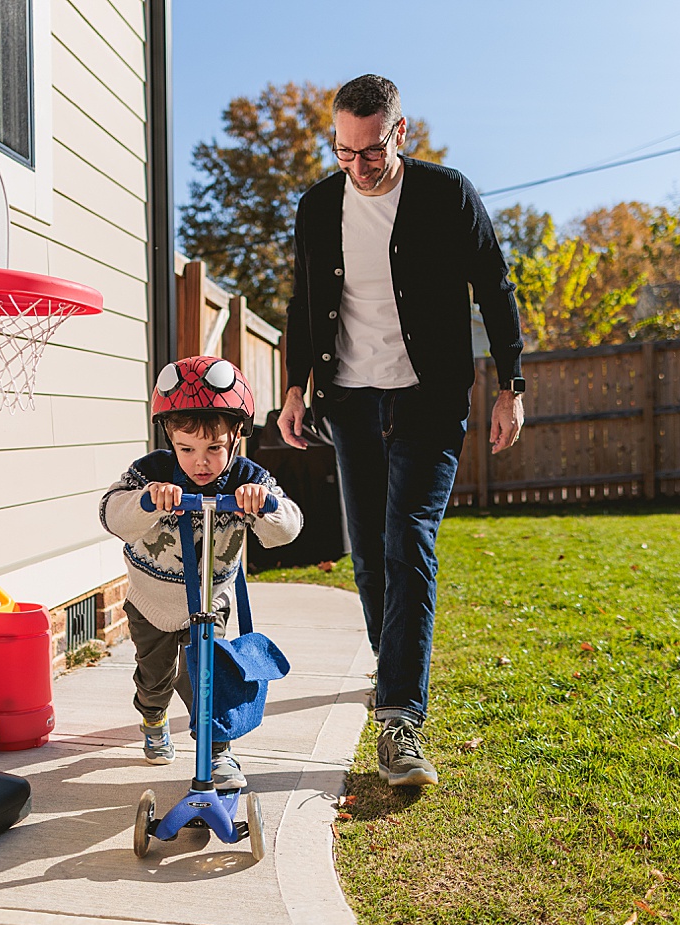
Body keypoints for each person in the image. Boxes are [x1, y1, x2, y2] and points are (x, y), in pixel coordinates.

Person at [277, 74, 525, 788]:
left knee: (407, 539)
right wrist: (297, 386)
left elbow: (496, 285)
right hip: (350, 401)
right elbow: (305, 299)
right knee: (369, 556)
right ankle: (395, 672)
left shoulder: (447, 195)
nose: (359, 167)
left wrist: (510, 386)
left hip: (428, 397)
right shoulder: (319, 206)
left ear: (401, 133)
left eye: (371, 151)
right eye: (344, 153)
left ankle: (399, 721)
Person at [101, 356, 303, 789]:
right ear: (170, 438)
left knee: (209, 681)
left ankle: (218, 754)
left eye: (215, 449)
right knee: (156, 678)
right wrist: (147, 501)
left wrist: (263, 503)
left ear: (237, 437)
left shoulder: (250, 477)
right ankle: (153, 717)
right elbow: (112, 514)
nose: (201, 462)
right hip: (151, 601)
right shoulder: (150, 472)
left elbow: (288, 526)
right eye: (187, 449)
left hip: (210, 604)